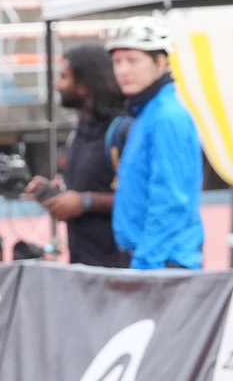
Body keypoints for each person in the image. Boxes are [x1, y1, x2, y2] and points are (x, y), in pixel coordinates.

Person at [103, 22, 204, 271]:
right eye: (117, 62)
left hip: (162, 263)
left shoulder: (166, 117)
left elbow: (171, 201)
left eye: (132, 60)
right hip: (150, 258)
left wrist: (143, 267)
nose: (123, 70)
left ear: (160, 62)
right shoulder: (147, 113)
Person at [42, 40, 128, 268]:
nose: (56, 84)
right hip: (83, 264)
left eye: (64, 77)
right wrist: (56, 194)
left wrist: (86, 201)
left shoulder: (122, 131)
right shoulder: (79, 131)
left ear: (84, 85)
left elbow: (141, 199)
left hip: (118, 267)